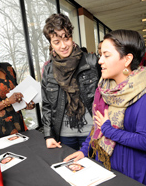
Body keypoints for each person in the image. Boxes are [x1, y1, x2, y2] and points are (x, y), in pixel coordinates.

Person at [64, 29, 146, 186]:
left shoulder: (145, 95)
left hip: (132, 171)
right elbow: (97, 126)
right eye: (101, 54)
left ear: (127, 59)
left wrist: (109, 130)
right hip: (105, 163)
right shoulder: (105, 88)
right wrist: (84, 151)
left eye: (106, 55)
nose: (100, 60)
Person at [41, 13, 101, 150]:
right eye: (56, 42)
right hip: (63, 134)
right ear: (51, 44)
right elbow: (46, 106)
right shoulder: (49, 70)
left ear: (71, 37)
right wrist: (48, 135)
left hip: (91, 131)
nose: (63, 46)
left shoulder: (92, 62)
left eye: (66, 38)